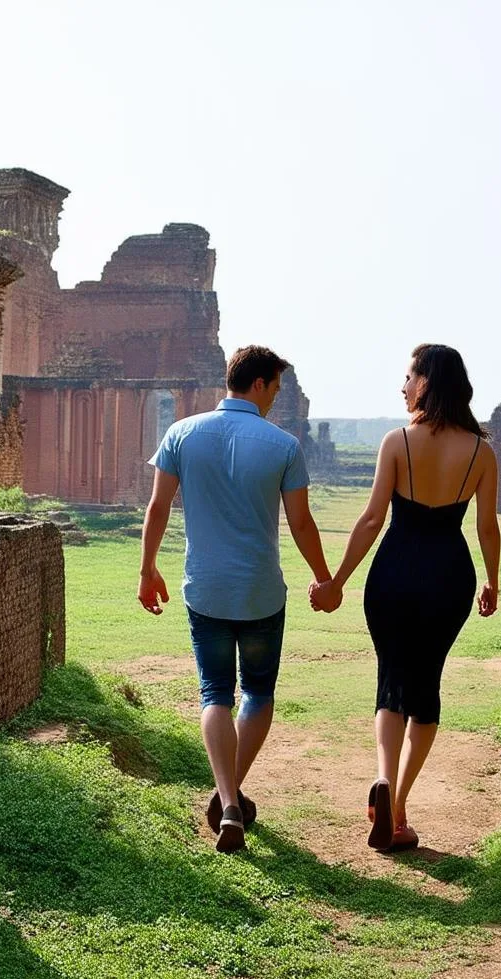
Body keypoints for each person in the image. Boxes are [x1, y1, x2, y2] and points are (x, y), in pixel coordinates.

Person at [138, 345, 332, 853]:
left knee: (214, 695)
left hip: (205, 589)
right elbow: (302, 522)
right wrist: (324, 578)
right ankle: (228, 795)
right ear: (263, 384)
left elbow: (158, 506)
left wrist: (147, 569)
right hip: (261, 592)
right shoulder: (282, 445)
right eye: (276, 388)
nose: (275, 398)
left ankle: (227, 801)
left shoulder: (182, 433)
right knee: (259, 695)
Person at [310, 344, 500, 852]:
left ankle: (384, 781)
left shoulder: (397, 442)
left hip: (393, 572)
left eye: (409, 376)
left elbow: (373, 519)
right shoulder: (481, 452)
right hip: (448, 576)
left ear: (428, 383)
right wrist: (492, 581)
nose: (403, 385)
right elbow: (486, 528)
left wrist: (336, 582)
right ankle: (399, 808)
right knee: (427, 687)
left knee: (391, 681)